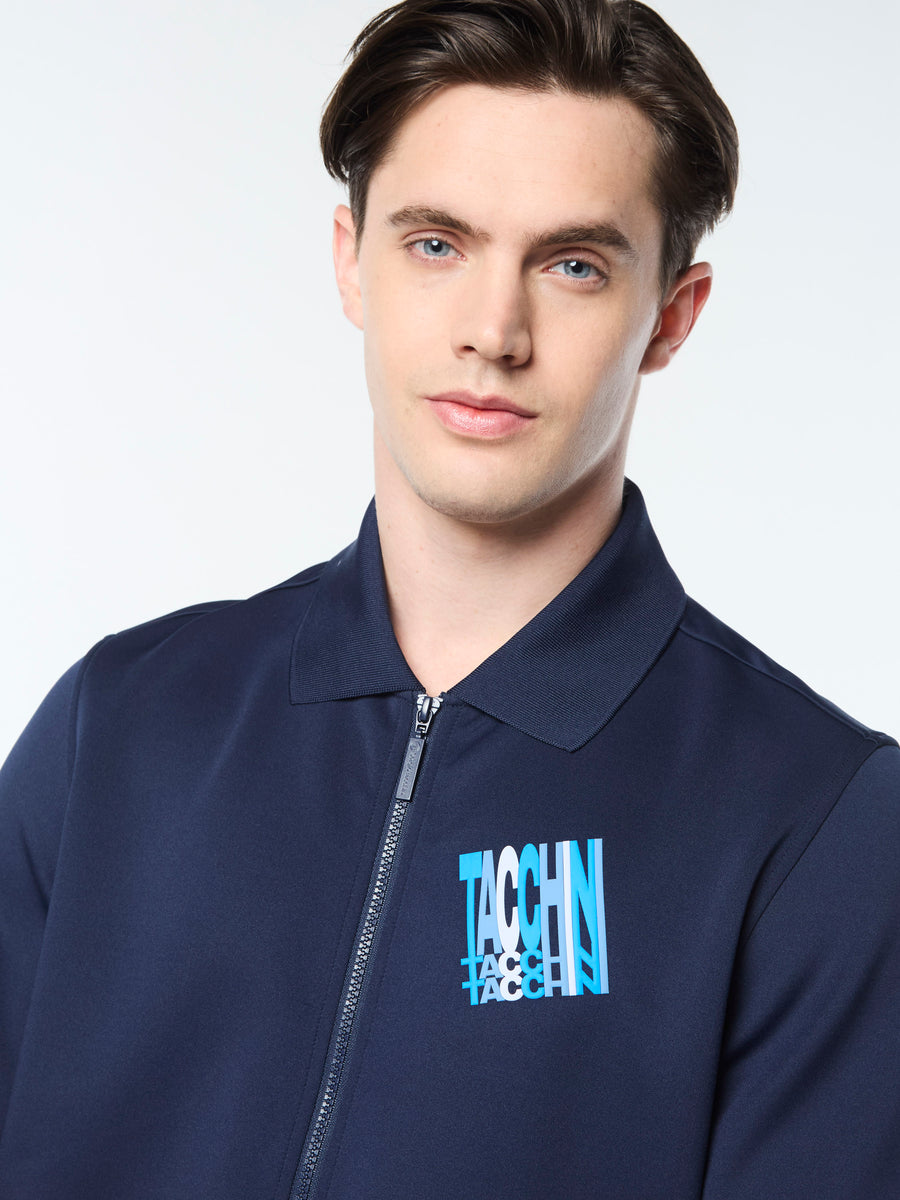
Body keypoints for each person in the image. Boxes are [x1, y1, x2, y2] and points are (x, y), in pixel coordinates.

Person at [0, 0, 897, 1195]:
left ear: (671, 317)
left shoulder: (817, 822)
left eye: (573, 265)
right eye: (436, 244)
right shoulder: (120, 725)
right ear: (349, 261)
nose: (493, 331)